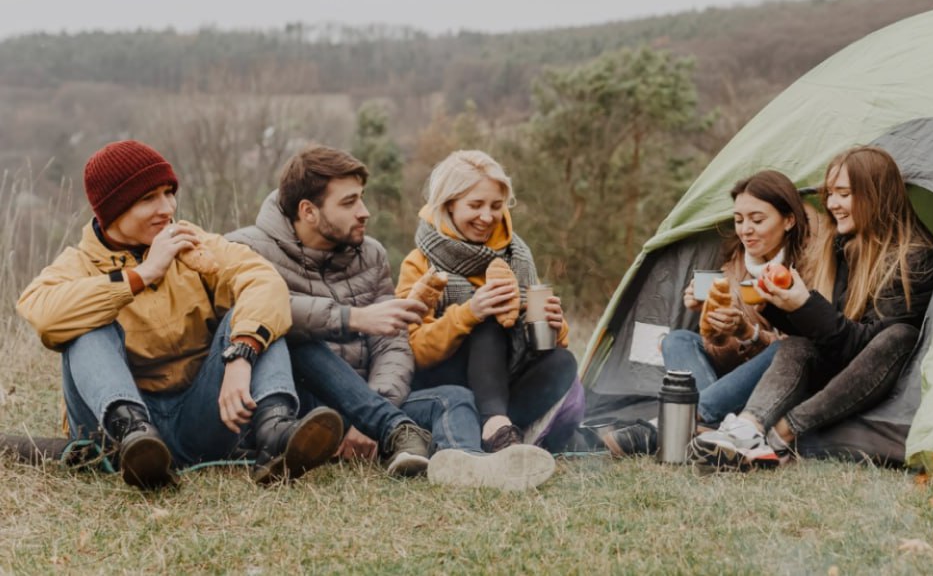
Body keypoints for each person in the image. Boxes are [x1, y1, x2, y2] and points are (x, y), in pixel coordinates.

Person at [16, 140, 344, 490]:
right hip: (113, 433)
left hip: (200, 417)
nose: (166, 208)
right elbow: (44, 312)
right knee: (84, 327)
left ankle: (275, 434)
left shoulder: (193, 242)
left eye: (168, 193)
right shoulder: (77, 264)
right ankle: (136, 436)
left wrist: (241, 354)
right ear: (112, 210)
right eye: (148, 199)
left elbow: (264, 281)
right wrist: (142, 276)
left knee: (258, 318)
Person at [227, 145, 555, 489]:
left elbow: (393, 343)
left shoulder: (370, 254)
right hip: (304, 406)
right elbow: (252, 315)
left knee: (455, 397)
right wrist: (354, 318)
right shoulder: (247, 250)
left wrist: (372, 409)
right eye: (349, 202)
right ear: (308, 211)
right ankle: (378, 431)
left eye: (362, 198)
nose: (365, 212)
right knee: (291, 332)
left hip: (374, 401)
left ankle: (469, 463)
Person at [691, 145, 933, 471]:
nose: (832, 204)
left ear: (875, 195)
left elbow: (865, 346)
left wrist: (804, 304)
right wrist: (781, 305)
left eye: (844, 194)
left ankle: (782, 434)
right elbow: (830, 339)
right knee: (795, 344)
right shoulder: (844, 247)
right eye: (830, 194)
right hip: (837, 368)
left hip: (877, 377)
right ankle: (749, 429)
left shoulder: (915, 258)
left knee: (900, 335)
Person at [599, 170, 811, 457]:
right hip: (732, 381)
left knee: (786, 348)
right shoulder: (735, 266)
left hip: (777, 382)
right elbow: (720, 352)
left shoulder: (810, 262)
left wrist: (750, 333)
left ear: (789, 220)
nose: (745, 229)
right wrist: (712, 322)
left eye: (757, 220)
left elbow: (802, 353)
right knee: (678, 340)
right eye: (739, 220)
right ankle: (709, 426)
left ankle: (665, 426)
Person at [397, 150, 577, 454]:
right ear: (449, 204)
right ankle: (495, 427)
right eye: (475, 205)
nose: (487, 217)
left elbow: (542, 346)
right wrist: (469, 313)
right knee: (487, 324)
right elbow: (413, 350)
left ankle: (501, 432)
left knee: (563, 362)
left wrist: (556, 328)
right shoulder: (419, 263)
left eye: (496, 206)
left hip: (503, 382)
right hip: (447, 382)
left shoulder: (517, 255)